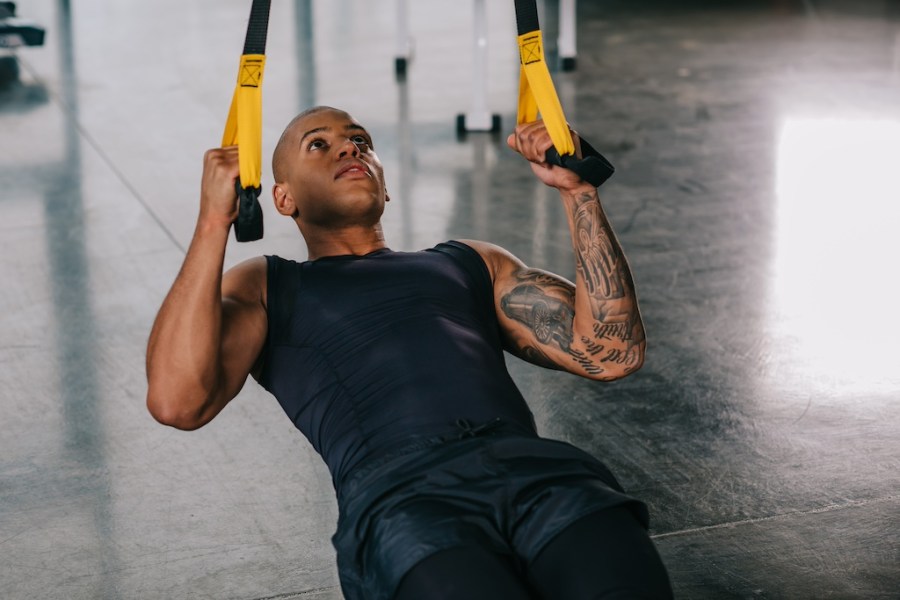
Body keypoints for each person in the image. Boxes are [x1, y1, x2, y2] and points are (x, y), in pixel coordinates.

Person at [145, 106, 673, 600]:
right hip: (406, 504)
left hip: (539, 475)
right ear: (282, 199)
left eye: (360, 141)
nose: (349, 149)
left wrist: (579, 192)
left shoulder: (469, 262)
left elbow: (611, 353)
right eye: (319, 145)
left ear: (385, 184)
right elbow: (177, 400)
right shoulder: (269, 285)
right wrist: (213, 224)